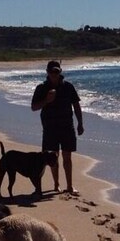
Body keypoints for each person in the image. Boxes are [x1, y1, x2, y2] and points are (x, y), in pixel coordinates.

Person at [31, 60, 84, 194]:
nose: (54, 74)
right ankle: (56, 185)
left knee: (67, 157)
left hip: (67, 126)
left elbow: (76, 105)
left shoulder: (68, 87)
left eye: (56, 71)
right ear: (47, 72)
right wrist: (46, 100)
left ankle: (70, 186)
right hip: (50, 127)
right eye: (52, 71)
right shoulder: (42, 88)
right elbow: (34, 107)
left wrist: (80, 123)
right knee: (52, 157)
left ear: (60, 72)